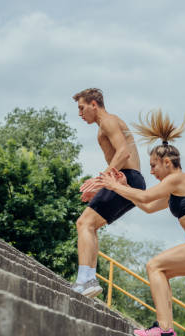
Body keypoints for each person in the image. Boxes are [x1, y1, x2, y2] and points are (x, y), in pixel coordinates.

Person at [98, 109, 185, 336]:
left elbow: (147, 196)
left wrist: (114, 186)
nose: (151, 172)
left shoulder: (178, 178)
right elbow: (147, 206)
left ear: (167, 163)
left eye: (154, 166)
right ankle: (165, 329)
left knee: (154, 265)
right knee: (162, 272)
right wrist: (124, 184)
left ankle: (165, 331)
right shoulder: (174, 188)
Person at [71, 88, 146, 298]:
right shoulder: (104, 127)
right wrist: (102, 185)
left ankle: (84, 280)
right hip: (128, 179)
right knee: (89, 224)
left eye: (82, 107)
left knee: (83, 223)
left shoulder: (108, 121)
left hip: (126, 177)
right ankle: (88, 280)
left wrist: (99, 181)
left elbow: (123, 153)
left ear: (94, 105)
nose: (80, 114)